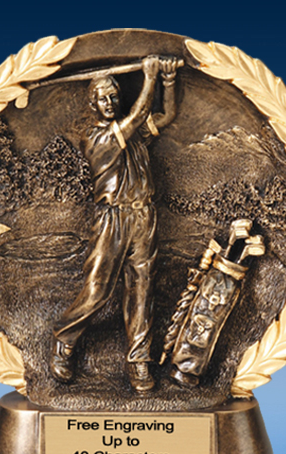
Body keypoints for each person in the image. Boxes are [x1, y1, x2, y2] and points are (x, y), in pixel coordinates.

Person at [49, 55, 179, 392]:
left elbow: (166, 116)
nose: (109, 103)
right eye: (102, 98)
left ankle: (139, 362)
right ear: (93, 104)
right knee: (98, 290)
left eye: (113, 96)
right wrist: (149, 77)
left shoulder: (133, 136)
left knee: (142, 290)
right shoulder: (98, 138)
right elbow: (138, 115)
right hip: (113, 219)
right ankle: (65, 340)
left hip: (143, 217)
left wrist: (167, 80)